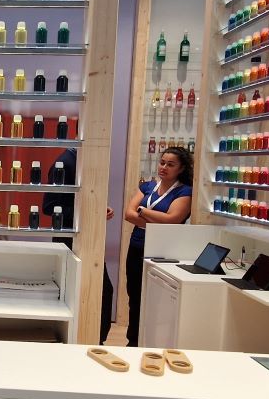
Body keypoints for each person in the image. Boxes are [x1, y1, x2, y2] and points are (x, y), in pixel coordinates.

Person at [42, 148, 117, 344]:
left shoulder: (82, 160)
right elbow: (49, 207)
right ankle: (91, 340)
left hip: (87, 238)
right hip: (71, 240)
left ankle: (94, 339)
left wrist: (98, 209)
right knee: (95, 291)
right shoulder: (65, 163)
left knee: (99, 291)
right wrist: (91, 211)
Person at [122, 147, 193, 347]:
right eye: (162, 162)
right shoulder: (148, 186)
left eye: (170, 164)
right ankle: (133, 342)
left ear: (181, 168)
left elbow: (172, 220)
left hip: (163, 252)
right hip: (137, 247)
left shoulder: (185, 191)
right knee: (135, 297)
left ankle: (153, 342)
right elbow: (128, 214)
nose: (164, 167)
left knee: (157, 301)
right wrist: (156, 222)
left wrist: (143, 211)